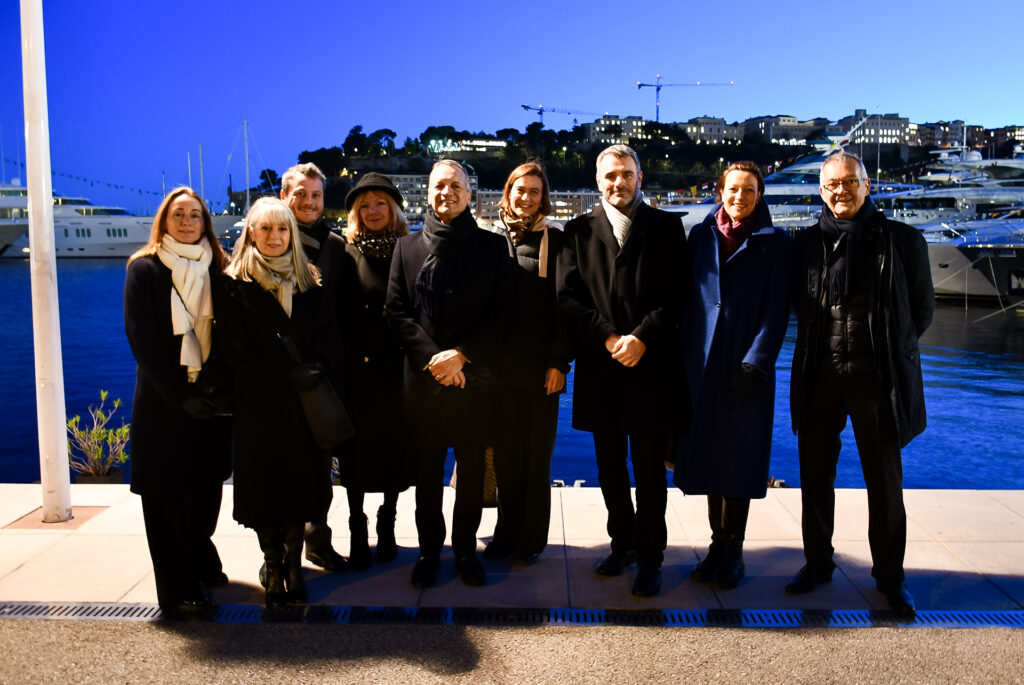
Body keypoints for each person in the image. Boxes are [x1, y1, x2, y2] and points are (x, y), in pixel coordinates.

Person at [787, 151, 934, 619]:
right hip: (820, 375)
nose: (841, 191)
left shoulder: (902, 240)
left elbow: (921, 311)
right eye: (832, 184)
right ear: (821, 190)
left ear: (867, 186)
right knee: (815, 477)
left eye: (850, 182)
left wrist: (891, 351)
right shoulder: (806, 243)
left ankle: (891, 578)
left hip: (877, 380)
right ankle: (817, 564)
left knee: (884, 483)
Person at [557, 144, 687, 597]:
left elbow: (677, 295)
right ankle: (621, 544)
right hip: (602, 367)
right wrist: (610, 338)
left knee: (650, 471)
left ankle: (651, 558)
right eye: (610, 175)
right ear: (598, 181)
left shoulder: (667, 227)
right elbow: (568, 298)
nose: (619, 182)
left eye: (627, 174)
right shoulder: (577, 231)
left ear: (639, 177)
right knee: (609, 467)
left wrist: (642, 337)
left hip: (652, 367)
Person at [386, 160, 512, 589]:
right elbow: (396, 313)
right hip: (425, 385)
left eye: (456, 186)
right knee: (427, 478)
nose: (447, 193)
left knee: (472, 477)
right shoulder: (407, 248)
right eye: (440, 185)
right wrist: (434, 360)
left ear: (469, 194)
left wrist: (460, 356)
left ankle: (464, 552)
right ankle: (428, 552)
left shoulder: (492, 248)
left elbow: (501, 316)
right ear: (429, 192)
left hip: (473, 381)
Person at [674, 162, 792, 590]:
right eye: (733, 189)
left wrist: (755, 363)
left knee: (740, 460)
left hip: (746, 366)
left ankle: (735, 551)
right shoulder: (700, 236)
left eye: (749, 190)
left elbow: (778, 311)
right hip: (702, 362)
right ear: (720, 191)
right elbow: (689, 300)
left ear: (760, 195)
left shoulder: (776, 243)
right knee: (708, 456)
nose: (740, 197)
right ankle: (716, 545)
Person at [214, 197, 337, 605]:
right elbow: (233, 351)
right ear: (251, 233)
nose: (274, 236)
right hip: (258, 406)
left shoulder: (310, 283)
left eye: (282, 228)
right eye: (265, 228)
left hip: (302, 407)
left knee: (300, 486)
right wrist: (287, 375)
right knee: (263, 488)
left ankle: (293, 565)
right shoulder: (232, 285)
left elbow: (326, 337)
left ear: (292, 234)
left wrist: (315, 367)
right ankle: (272, 563)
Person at [124, 186, 232, 619]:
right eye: (178, 215)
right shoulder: (145, 269)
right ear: (164, 222)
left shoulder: (219, 267)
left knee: (206, 491)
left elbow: (230, 335)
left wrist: (217, 391)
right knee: (165, 499)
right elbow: (143, 342)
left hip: (211, 401)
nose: (187, 222)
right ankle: (176, 588)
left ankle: (200, 555)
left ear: (205, 222)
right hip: (164, 403)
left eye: (195, 215)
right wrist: (181, 396)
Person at [482, 161, 571, 566]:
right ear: (508, 192)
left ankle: (531, 539)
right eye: (520, 190)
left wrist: (559, 363)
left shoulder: (555, 239)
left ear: (543, 197)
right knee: (505, 459)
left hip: (540, 372)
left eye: (535, 191)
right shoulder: (490, 238)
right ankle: (505, 533)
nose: (527, 198)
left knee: (536, 461)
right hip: (498, 372)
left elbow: (564, 308)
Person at [278, 163, 351, 574]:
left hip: (323, 373)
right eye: (300, 194)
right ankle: (280, 555)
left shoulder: (335, 245)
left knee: (321, 468)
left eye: (316, 195)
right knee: (283, 470)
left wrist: (328, 364)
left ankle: (318, 543)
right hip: (280, 377)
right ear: (284, 196)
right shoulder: (268, 239)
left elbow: (341, 312)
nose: (308, 202)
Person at [338, 172, 412, 569]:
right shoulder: (345, 252)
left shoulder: (410, 248)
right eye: (364, 205)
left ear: (393, 208)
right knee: (356, 457)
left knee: (394, 453)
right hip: (357, 373)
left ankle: (387, 523)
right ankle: (357, 527)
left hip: (397, 371)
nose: (372, 211)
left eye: (380, 203)